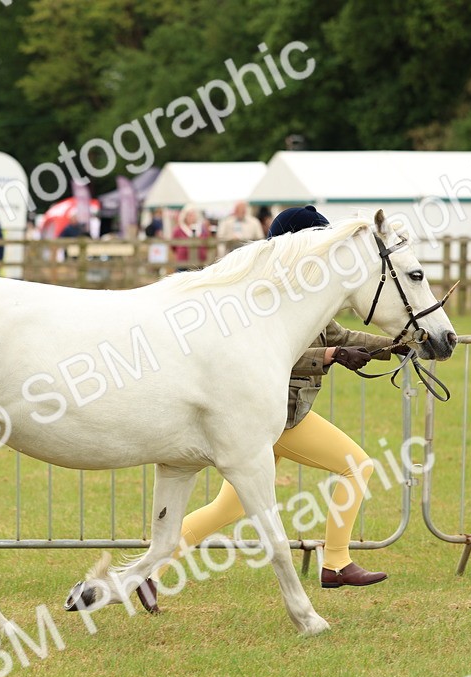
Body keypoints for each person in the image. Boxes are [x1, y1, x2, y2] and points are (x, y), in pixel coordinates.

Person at [146, 205, 406, 612]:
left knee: (223, 509)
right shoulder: (267, 300)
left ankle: (151, 573)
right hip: (275, 415)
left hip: (280, 415)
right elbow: (280, 356)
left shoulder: (305, 298)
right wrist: (333, 355)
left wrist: (394, 344)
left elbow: (339, 333)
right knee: (358, 466)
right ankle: (336, 563)